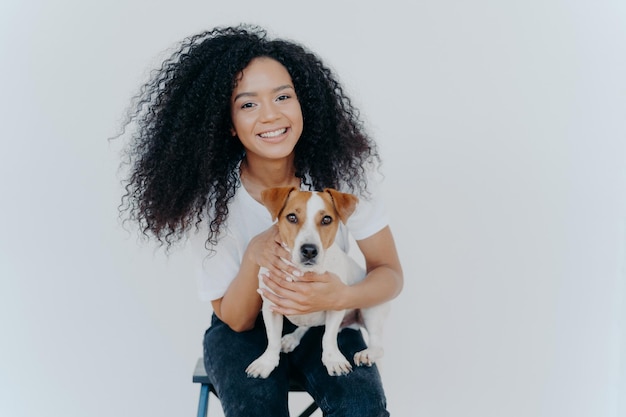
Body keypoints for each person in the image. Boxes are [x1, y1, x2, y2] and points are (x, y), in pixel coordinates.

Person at [118, 24, 403, 417]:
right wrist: (256, 254)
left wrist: (342, 297)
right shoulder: (211, 202)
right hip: (245, 327)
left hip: (328, 317)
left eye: (283, 96)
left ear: (305, 103)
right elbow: (235, 319)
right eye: (248, 104)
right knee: (256, 409)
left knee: (360, 406)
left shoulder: (343, 180)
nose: (271, 114)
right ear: (228, 123)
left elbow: (389, 273)